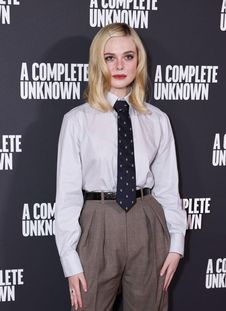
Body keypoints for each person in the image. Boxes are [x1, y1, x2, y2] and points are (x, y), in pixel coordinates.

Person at [54, 23, 187, 311]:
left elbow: (167, 187)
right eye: (109, 57)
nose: (119, 65)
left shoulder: (157, 119)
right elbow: (67, 196)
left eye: (128, 56)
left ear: (139, 61)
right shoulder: (77, 120)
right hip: (96, 223)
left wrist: (176, 243)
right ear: (97, 62)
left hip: (148, 220)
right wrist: (70, 260)